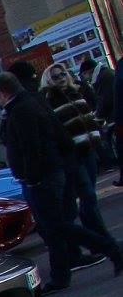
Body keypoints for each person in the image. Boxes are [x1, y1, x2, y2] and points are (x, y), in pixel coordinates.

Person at [0, 69, 123, 289]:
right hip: (51, 172)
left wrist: (32, 177)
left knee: (57, 226)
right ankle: (61, 275)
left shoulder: (22, 110)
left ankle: (110, 249)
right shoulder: (30, 103)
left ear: (2, 92)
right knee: (54, 228)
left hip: (42, 177)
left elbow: (31, 147)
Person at [43, 62, 112, 240]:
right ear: (49, 81)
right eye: (55, 77)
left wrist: (98, 131)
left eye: (62, 75)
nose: (60, 79)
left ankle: (98, 237)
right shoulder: (50, 101)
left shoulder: (76, 93)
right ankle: (102, 238)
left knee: (90, 196)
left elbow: (88, 117)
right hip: (74, 155)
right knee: (87, 195)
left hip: (90, 149)